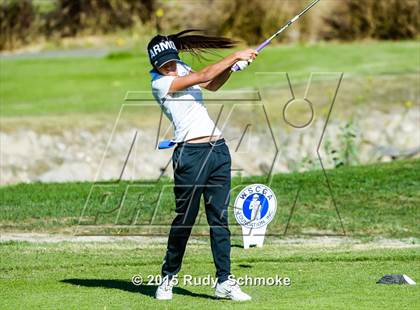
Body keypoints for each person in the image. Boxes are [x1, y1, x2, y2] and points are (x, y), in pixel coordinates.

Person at [147, 29, 257, 301]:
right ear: (155, 67)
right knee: (185, 220)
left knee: (219, 219)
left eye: (173, 61)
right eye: (165, 65)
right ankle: (167, 278)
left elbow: (212, 84)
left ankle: (224, 282)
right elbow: (204, 75)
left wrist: (232, 68)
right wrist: (234, 56)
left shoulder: (180, 68)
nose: (172, 68)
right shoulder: (160, 84)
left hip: (217, 149)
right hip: (190, 155)